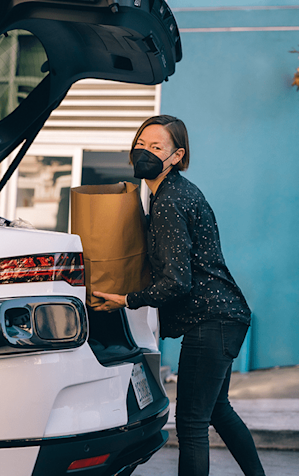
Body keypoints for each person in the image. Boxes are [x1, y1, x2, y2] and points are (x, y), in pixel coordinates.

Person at [93, 115, 265, 476]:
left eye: (156, 147)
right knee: (217, 410)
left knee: (191, 422)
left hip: (212, 319)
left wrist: (127, 299)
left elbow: (177, 282)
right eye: (140, 143)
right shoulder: (169, 193)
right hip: (224, 315)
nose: (144, 151)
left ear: (176, 156)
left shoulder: (170, 201)